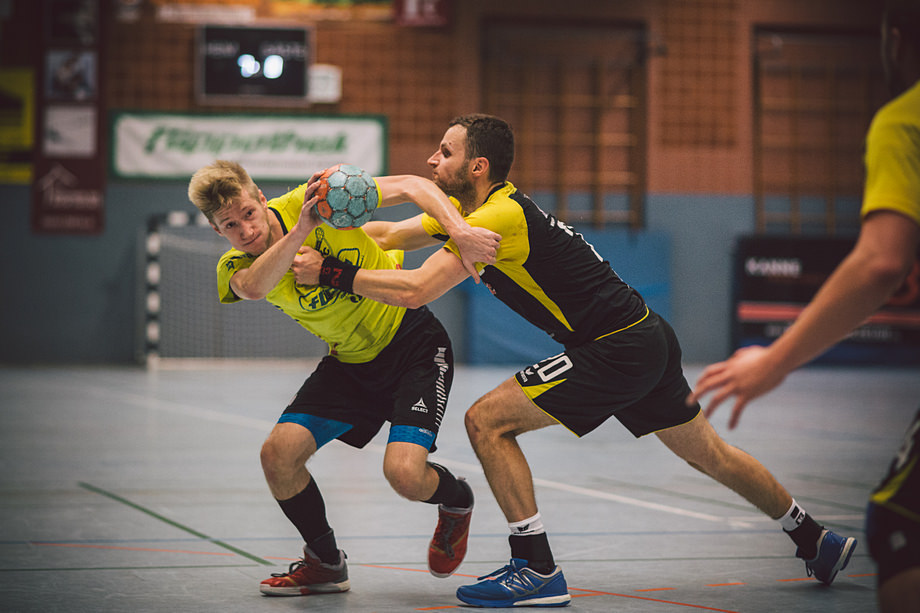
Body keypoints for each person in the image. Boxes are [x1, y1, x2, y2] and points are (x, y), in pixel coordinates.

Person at [296, 114, 858, 607]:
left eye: (445, 151)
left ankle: (536, 567)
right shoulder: (471, 214)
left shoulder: (498, 217)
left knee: (487, 421)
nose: (431, 159)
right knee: (711, 454)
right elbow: (389, 233)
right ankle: (815, 539)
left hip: (617, 346)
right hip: (644, 336)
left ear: (477, 166)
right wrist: (318, 231)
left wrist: (331, 273)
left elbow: (417, 289)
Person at [688, 2, 920, 611]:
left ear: (896, 41)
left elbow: (881, 262)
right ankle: (810, 536)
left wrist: (774, 361)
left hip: (616, 345)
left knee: (900, 533)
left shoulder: (904, 120)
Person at [186, 160, 501, 597]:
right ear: (216, 230)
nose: (246, 230)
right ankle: (325, 562)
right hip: (351, 363)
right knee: (278, 456)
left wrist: (460, 231)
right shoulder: (235, 265)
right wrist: (301, 231)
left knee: (405, 476)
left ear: (261, 197)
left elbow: (413, 184)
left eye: (248, 213)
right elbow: (254, 287)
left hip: (413, 345)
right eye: (230, 225)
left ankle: (456, 499)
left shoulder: (318, 198)